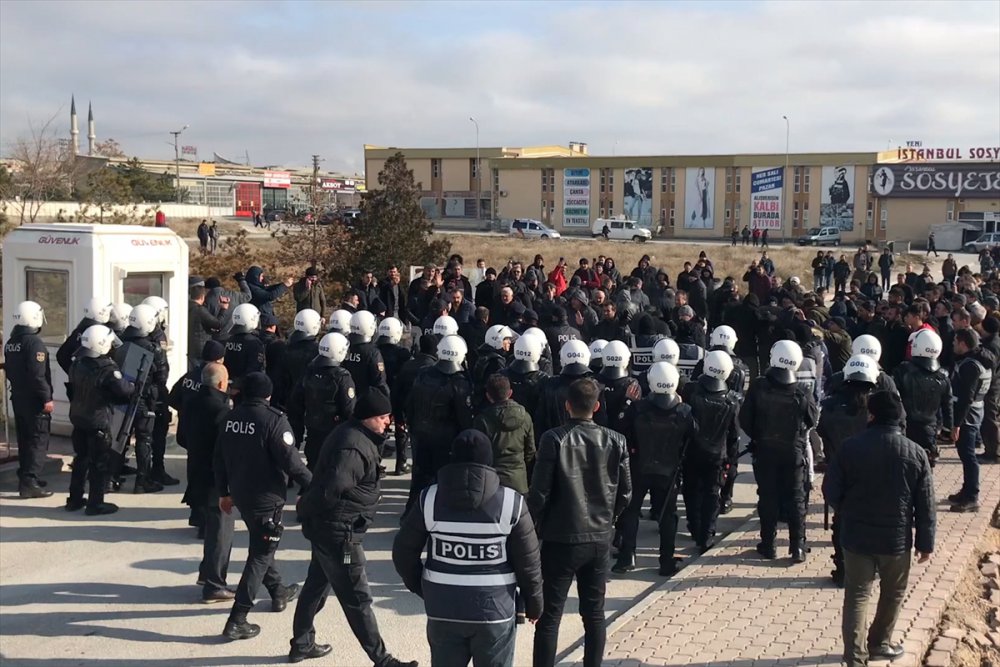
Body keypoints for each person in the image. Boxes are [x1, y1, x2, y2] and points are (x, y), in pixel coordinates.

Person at [393, 429, 542, 667]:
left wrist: (423, 587)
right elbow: (529, 564)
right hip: (495, 611)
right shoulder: (511, 503)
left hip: (443, 609)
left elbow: (402, 552)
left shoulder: (429, 499)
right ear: (489, 461)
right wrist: (534, 604)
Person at [291, 391, 415, 667]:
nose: (387, 423)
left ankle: (301, 643)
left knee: (316, 586)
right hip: (341, 536)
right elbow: (330, 489)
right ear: (369, 418)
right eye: (383, 418)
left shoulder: (353, 434)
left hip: (330, 530)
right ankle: (383, 660)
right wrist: (304, 508)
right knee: (357, 599)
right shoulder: (353, 448)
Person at [822, 391, 935, 667]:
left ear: (871, 415)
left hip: (856, 538)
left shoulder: (850, 447)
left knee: (857, 595)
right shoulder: (916, 453)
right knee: (892, 593)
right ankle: (879, 643)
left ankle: (854, 658)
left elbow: (830, 490)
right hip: (895, 542)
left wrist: (846, 511)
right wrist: (925, 542)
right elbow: (926, 504)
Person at [528, 378, 631, 667]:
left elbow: (539, 493)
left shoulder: (553, 438)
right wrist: (610, 521)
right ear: (597, 407)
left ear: (567, 405)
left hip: (560, 537)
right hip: (599, 538)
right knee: (594, 615)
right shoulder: (615, 439)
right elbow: (626, 493)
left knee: (550, 617)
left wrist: (538, 525)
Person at [214, 372, 312, 641]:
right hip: (267, 500)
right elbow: (292, 463)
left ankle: (278, 592)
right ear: (268, 394)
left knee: (261, 544)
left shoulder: (229, 419)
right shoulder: (274, 421)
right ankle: (238, 619)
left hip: (241, 496)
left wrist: (223, 492)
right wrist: (314, 486)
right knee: (259, 555)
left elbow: (218, 459)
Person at [740, 340, 819, 562]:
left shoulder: (758, 386)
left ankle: (769, 545)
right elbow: (812, 419)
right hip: (792, 451)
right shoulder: (801, 392)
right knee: (796, 497)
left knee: (767, 497)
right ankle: (798, 547)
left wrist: (758, 435)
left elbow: (744, 419)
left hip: (765, 449)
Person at [615, 362, 694, 575]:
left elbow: (622, 431)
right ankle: (666, 561)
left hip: (639, 467)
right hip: (668, 472)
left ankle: (626, 556)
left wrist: (628, 404)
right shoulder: (684, 411)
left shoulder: (637, 409)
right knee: (668, 516)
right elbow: (691, 438)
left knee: (631, 512)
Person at [817, 354, 879, 586]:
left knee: (842, 521)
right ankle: (868, 569)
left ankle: (842, 569)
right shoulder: (877, 407)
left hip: (839, 471)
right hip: (871, 474)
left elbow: (822, 431)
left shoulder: (831, 405)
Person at [65, 325, 135, 515]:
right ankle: (96, 503)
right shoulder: (107, 368)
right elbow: (124, 390)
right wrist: (132, 386)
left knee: (80, 459)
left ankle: (75, 499)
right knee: (99, 462)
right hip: (97, 420)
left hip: (78, 417)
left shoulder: (77, 362)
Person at [183, 362, 236, 603]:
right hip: (217, 478)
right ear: (222, 384)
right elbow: (227, 446)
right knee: (221, 531)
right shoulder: (221, 409)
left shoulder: (191, 402)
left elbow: (182, 436)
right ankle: (215, 584)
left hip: (196, 471)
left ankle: (207, 574)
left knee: (213, 526)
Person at [404, 335, 474, 513]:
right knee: (444, 482)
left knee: (419, 479)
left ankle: (412, 514)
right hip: (446, 441)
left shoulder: (424, 374)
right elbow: (464, 418)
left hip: (421, 434)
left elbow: (410, 405)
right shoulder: (459, 382)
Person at [683, 352, 740, 554]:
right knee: (711, 495)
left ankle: (695, 527)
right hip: (717, 455)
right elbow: (733, 436)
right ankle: (706, 536)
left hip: (691, 452)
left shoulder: (690, 391)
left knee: (690, 491)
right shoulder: (731, 401)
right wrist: (731, 461)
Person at [169, 339, 227, 534]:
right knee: (210, 478)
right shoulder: (216, 378)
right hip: (209, 437)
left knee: (194, 472)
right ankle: (204, 520)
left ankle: (196, 513)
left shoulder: (189, 376)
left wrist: (187, 413)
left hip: (190, 433)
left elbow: (173, 398)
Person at [113, 303, 170, 493]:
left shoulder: (117, 342)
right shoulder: (153, 349)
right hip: (145, 400)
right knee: (144, 439)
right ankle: (142, 480)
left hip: (120, 396)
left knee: (119, 435)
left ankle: (112, 477)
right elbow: (162, 377)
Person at [4, 301, 55, 498]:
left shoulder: (11, 342)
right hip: (34, 400)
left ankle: (26, 475)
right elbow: (37, 375)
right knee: (38, 439)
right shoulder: (34, 343)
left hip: (18, 396)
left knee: (25, 439)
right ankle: (30, 481)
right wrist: (46, 397)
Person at [287, 332, 356, 470]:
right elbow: (349, 409)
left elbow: (296, 400)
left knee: (313, 463)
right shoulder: (342, 377)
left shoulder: (310, 371)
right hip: (335, 431)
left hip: (312, 427)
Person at [948, 328, 994, 513]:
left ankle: (972, 496)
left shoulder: (970, 366)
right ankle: (966, 490)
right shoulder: (980, 359)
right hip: (975, 411)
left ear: (963, 343)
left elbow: (967, 397)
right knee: (965, 454)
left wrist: (956, 424)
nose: (953, 345)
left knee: (968, 456)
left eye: (955, 342)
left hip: (968, 416)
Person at [893, 329, 952, 465]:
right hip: (930, 428)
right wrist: (948, 427)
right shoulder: (943, 376)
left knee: (904, 465)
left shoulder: (902, 371)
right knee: (925, 467)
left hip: (905, 426)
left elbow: (893, 398)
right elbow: (948, 403)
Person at [473, 374, 536, 494]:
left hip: (491, 480)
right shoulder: (525, 417)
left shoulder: (482, 420)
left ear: (488, 396)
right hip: (518, 479)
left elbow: (479, 453)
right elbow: (530, 450)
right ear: (510, 392)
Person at [391, 334, 437, 476]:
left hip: (406, 407)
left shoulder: (408, 365)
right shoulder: (434, 368)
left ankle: (401, 462)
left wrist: (397, 413)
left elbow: (396, 390)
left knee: (403, 436)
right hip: (425, 413)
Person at [56, 297, 113, 375]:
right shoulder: (102, 332)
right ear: (102, 312)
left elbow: (62, 355)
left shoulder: (79, 330)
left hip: (81, 381)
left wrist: (75, 374)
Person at [344, 311, 390, 399]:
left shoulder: (343, 346)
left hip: (346, 398)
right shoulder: (372, 352)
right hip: (366, 401)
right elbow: (380, 382)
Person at [224, 303, 266, 392]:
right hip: (246, 388)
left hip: (227, 385)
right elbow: (255, 368)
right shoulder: (254, 343)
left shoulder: (229, 340)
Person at [472, 325, 514, 412]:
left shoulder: (482, 355)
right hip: (491, 406)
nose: (509, 342)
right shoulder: (497, 362)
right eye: (506, 339)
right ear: (497, 341)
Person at [189, 284, 225, 372]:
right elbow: (217, 324)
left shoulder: (184, 307)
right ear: (202, 296)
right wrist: (223, 309)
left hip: (188, 347)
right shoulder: (200, 310)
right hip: (200, 348)